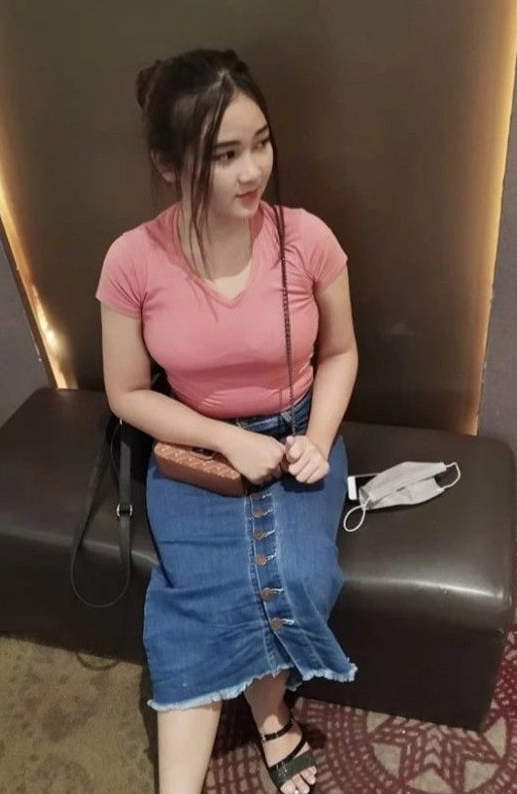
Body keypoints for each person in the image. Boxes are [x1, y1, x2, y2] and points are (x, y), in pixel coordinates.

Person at [96, 48, 359, 794]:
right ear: (169, 164)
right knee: (200, 594)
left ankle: (271, 716)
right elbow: (127, 392)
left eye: (262, 144)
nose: (253, 171)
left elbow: (341, 353)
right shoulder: (132, 260)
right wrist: (225, 437)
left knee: (297, 572)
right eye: (225, 155)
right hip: (195, 446)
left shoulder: (307, 237)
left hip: (300, 431)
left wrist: (316, 438)